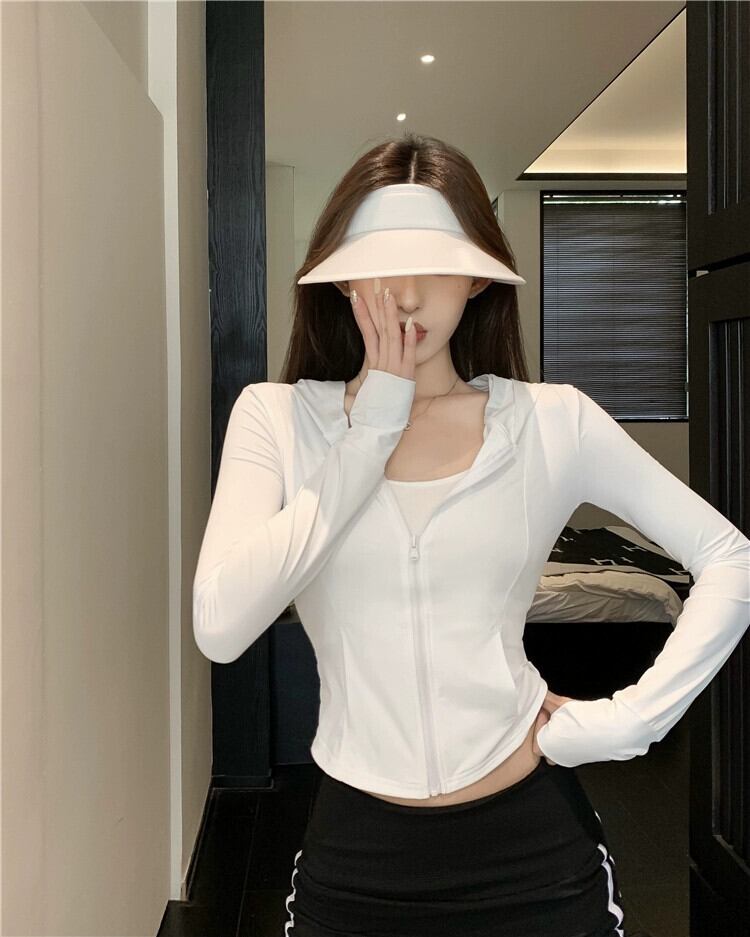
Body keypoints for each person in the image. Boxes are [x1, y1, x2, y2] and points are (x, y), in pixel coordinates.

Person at [192, 134, 750, 937]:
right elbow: (220, 624)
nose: (407, 294)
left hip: (533, 849)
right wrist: (370, 430)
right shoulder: (277, 420)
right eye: (380, 265)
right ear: (341, 278)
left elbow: (728, 556)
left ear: (479, 275)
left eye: (435, 264)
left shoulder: (552, 420)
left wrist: (631, 720)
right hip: (357, 854)